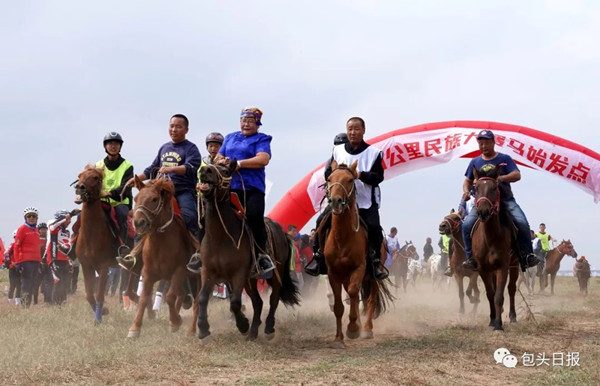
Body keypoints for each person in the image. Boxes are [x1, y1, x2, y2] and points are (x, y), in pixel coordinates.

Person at [305, 117, 388, 281]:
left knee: (374, 227)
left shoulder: (374, 153)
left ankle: (375, 261)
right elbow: (328, 173)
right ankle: (318, 257)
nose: (353, 132)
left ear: (363, 131)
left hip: (364, 202)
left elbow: (379, 177)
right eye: (350, 129)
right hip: (340, 201)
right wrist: (336, 176)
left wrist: (359, 175)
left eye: (356, 129)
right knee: (321, 221)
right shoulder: (338, 150)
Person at [119, 114, 202, 269]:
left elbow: (191, 168)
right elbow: (152, 169)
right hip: (161, 193)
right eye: (172, 126)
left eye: (178, 126)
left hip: (182, 191)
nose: (174, 129)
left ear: (186, 129)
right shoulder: (164, 148)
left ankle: (198, 253)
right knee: (142, 214)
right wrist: (137, 179)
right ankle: (134, 256)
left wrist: (171, 169)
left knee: (190, 216)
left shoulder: (191, 148)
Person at [461, 130, 540, 270]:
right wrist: (466, 191)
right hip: (483, 202)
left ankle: (527, 255)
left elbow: (517, 175)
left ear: (493, 142)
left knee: (522, 222)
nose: (483, 145)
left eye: (486, 142)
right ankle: (470, 258)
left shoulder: (505, 159)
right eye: (480, 143)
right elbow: (467, 180)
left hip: (505, 200)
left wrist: (501, 179)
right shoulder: (475, 161)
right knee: (466, 224)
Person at [211, 106, 275, 278]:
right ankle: (202, 253)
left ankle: (262, 255)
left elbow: (263, 159)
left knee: (254, 217)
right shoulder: (231, 137)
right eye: (243, 120)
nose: (246, 124)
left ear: (257, 123)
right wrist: (222, 159)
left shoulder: (262, 139)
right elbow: (217, 156)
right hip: (229, 188)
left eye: (250, 121)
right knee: (210, 212)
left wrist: (239, 163)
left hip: (252, 189)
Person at [97, 132, 134, 258]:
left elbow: (126, 185)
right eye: (110, 143)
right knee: (83, 216)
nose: (113, 146)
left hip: (120, 201)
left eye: (116, 144)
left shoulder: (127, 166)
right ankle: (74, 247)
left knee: (122, 215)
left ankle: (122, 246)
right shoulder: (98, 165)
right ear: (105, 146)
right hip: (101, 201)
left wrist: (109, 193)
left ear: (120, 146)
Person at [14, 207, 42, 308]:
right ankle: (25, 306)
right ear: (25, 218)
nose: (31, 218)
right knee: (26, 284)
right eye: (29, 216)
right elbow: (17, 246)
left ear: (37, 218)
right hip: (25, 261)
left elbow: (38, 246)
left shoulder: (37, 230)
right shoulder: (22, 229)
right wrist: (18, 262)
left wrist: (40, 261)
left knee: (33, 284)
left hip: (36, 261)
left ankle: (28, 305)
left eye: (33, 216)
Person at [46, 210, 73, 305]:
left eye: (70, 220)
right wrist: (69, 215)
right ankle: (55, 304)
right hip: (54, 258)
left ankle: (63, 301)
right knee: (58, 281)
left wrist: (69, 262)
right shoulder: (53, 227)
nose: (69, 222)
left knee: (65, 282)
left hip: (64, 260)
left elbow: (68, 246)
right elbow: (53, 226)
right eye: (68, 220)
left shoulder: (67, 232)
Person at [33, 222, 48, 305]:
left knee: (46, 283)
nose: (43, 231)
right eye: (41, 229)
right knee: (36, 284)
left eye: (45, 229)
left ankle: (46, 301)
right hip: (38, 264)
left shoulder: (48, 240)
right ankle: (35, 302)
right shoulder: (36, 240)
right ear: (38, 230)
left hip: (47, 264)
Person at [4, 230, 21, 305]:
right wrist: (11, 262)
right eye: (15, 237)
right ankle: (10, 301)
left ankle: (18, 301)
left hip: (20, 268)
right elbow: (6, 254)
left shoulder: (23, 246)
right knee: (13, 285)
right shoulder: (12, 245)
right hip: (12, 268)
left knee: (20, 284)